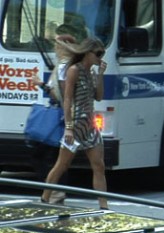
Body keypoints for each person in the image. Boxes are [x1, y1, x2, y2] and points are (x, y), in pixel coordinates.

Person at [41, 37, 109, 209]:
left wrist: (100, 75)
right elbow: (67, 99)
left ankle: (104, 206)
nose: (100, 57)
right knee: (62, 165)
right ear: (87, 52)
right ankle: (44, 198)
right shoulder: (74, 70)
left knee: (99, 165)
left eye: (102, 54)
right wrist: (69, 128)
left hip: (90, 125)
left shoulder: (91, 72)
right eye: (98, 54)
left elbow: (99, 96)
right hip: (76, 124)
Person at [31, 34, 76, 204]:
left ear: (63, 47)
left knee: (47, 156)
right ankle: (55, 191)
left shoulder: (64, 66)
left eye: (57, 45)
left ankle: (54, 192)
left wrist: (41, 84)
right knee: (55, 157)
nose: (54, 49)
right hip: (63, 116)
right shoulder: (65, 65)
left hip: (61, 117)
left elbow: (63, 95)